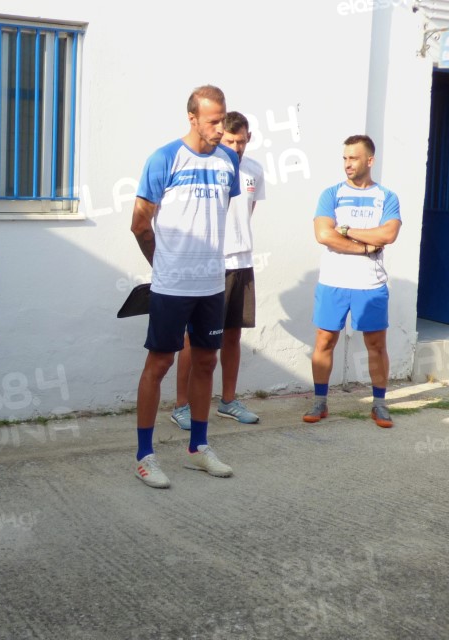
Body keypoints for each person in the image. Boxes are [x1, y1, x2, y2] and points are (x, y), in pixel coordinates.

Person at [130, 85, 241, 489]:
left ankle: (198, 446)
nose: (220, 128)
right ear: (192, 118)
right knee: (159, 364)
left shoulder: (229, 160)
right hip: (172, 286)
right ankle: (144, 456)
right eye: (213, 121)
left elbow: (214, 216)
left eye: (222, 119)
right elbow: (139, 224)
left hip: (211, 284)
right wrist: (164, 265)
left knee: (206, 362)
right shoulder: (164, 158)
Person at [171, 111, 266, 430]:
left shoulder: (254, 170)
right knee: (194, 338)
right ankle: (181, 405)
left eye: (241, 141)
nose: (236, 147)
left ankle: (228, 401)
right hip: (209, 264)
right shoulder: (206, 167)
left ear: (248, 139)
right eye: (230, 141)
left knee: (233, 334)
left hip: (242, 263)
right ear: (220, 137)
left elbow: (247, 213)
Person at [303, 134, 401, 428]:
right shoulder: (331, 194)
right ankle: (320, 401)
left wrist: (345, 230)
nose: (347, 163)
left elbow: (388, 235)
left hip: (370, 284)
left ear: (370, 160)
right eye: (345, 158)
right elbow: (323, 234)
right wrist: (365, 246)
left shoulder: (387, 197)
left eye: (354, 158)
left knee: (376, 345)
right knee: (324, 340)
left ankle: (379, 404)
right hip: (333, 281)